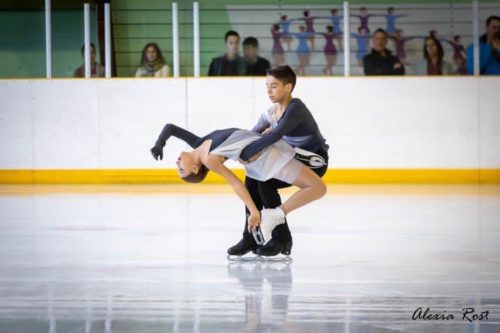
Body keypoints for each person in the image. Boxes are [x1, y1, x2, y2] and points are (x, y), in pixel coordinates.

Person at [150, 124, 327, 248]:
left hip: (263, 146)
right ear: (195, 169)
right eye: (181, 169)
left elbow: (171, 128)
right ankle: (268, 228)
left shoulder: (199, 143)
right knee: (314, 188)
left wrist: (159, 143)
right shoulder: (209, 159)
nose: (177, 163)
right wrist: (254, 212)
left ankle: (270, 237)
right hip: (266, 158)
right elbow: (235, 183)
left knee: (261, 188)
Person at [227, 65, 330, 257]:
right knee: (254, 178)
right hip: (292, 159)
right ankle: (253, 237)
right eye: (267, 85)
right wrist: (224, 153)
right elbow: (250, 136)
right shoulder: (270, 113)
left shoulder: (296, 108)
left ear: (288, 88)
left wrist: (247, 152)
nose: (268, 90)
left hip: (314, 161)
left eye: (274, 86)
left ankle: (281, 239)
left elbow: (274, 136)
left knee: (263, 179)